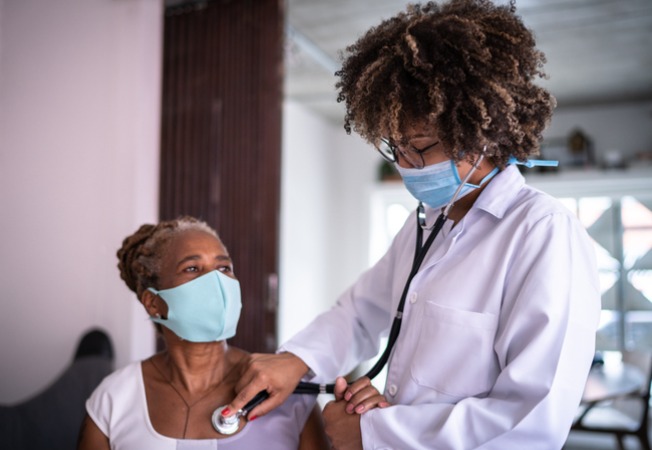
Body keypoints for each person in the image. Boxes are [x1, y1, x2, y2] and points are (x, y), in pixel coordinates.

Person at [224, 1, 601, 448]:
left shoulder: (543, 233)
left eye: (419, 145)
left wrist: (375, 434)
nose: (404, 163)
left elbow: (531, 423)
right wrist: (297, 361)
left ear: (477, 135)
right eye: (395, 145)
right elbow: (362, 313)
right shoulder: (427, 223)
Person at [76, 217, 329, 450]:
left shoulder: (285, 394)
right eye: (193, 269)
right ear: (153, 303)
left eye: (224, 268)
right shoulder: (115, 399)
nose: (216, 282)